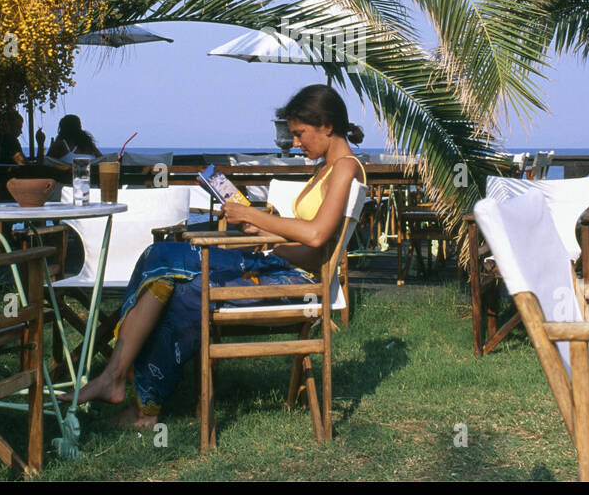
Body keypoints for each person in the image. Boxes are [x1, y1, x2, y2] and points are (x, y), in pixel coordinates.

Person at [66, 84, 366, 427]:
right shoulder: (327, 168)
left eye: (300, 134)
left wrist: (253, 217)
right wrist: (265, 236)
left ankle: (130, 395)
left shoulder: (345, 168)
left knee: (165, 262)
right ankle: (124, 388)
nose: (295, 143)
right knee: (168, 272)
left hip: (297, 281)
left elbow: (316, 234)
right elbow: (307, 235)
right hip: (280, 263)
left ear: (327, 126)